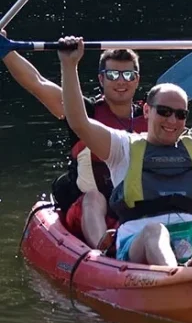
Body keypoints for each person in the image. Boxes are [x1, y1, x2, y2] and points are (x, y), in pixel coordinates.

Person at [59, 35, 192, 268]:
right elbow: (79, 122)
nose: (172, 120)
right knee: (156, 231)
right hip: (140, 241)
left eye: (180, 114)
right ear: (146, 111)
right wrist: (69, 65)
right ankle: (177, 276)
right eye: (163, 111)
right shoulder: (122, 147)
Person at [3, 29, 147, 248]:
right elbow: (38, 83)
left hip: (134, 206)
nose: (120, 81)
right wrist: (5, 50)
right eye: (112, 75)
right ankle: (104, 250)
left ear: (137, 80)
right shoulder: (82, 112)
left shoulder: (154, 117)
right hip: (88, 210)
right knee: (94, 198)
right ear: (101, 78)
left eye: (128, 75)